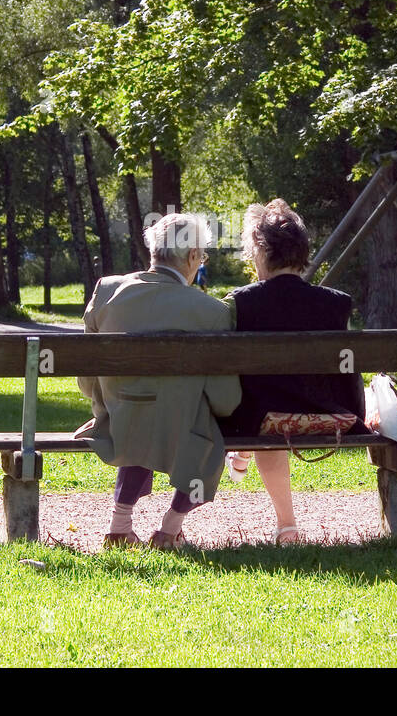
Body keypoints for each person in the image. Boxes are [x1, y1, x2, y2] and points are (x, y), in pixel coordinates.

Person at [76, 212, 241, 550]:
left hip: (120, 421)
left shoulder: (106, 291)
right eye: (202, 255)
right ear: (193, 256)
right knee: (194, 427)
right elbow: (226, 398)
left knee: (139, 417)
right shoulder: (213, 312)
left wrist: (103, 406)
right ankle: (170, 528)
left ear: (154, 251)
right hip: (183, 430)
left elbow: (87, 376)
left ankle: (120, 524)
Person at [217, 199, 366, 545]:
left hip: (263, 418)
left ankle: (287, 525)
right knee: (274, 403)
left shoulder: (242, 302)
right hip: (333, 413)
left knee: (268, 414)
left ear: (260, 250)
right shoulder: (337, 303)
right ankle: (247, 460)